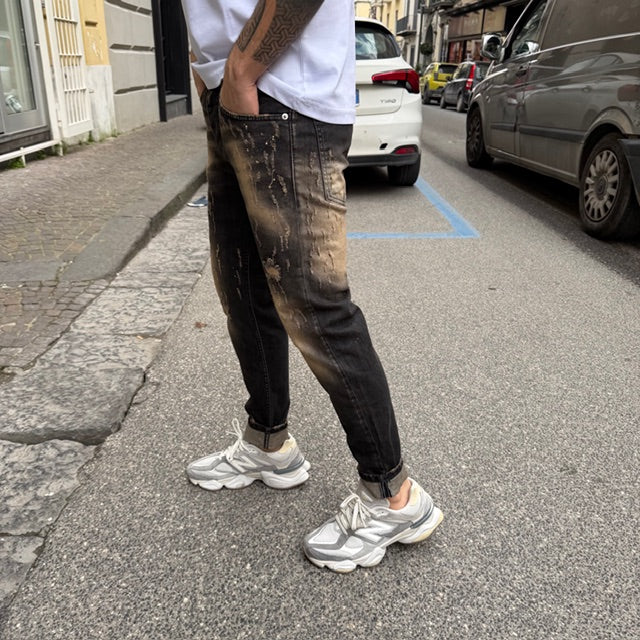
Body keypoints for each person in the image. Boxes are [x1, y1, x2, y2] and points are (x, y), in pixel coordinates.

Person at [180, 0, 443, 572]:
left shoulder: (257, 79)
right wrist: (211, 76)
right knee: (242, 288)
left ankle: (394, 496)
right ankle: (269, 443)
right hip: (232, 93)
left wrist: (241, 71)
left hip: (281, 97)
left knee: (316, 307)